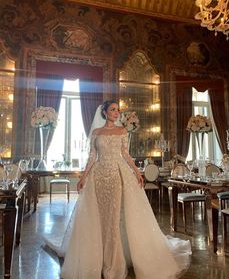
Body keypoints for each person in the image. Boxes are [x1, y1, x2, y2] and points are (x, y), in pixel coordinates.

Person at [45, 100, 191, 279]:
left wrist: (137, 172)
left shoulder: (122, 131)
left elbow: (126, 154)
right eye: (112, 110)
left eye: (118, 110)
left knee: (113, 218)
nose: (116, 112)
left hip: (116, 175)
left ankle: (113, 263)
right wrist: (83, 177)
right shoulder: (96, 132)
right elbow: (92, 157)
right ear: (104, 112)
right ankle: (97, 258)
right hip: (98, 177)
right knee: (99, 217)